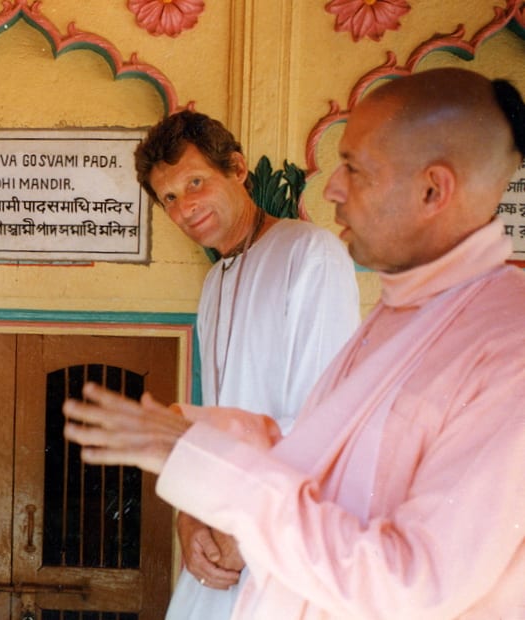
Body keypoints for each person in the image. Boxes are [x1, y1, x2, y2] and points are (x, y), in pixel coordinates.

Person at [63, 67, 525, 618]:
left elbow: (408, 574)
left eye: (353, 168)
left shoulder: (499, 341)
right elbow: (314, 437)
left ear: (433, 188)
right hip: (256, 532)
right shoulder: (404, 309)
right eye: (169, 198)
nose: (330, 187)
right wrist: (190, 481)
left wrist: (223, 493)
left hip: (276, 541)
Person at [135, 111, 358, 618]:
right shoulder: (216, 282)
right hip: (222, 540)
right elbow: (215, 423)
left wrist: (249, 529)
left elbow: (324, 423)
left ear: (236, 169)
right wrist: (189, 519)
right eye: (169, 197)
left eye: (195, 182)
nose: (185, 207)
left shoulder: (309, 254)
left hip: (278, 541)